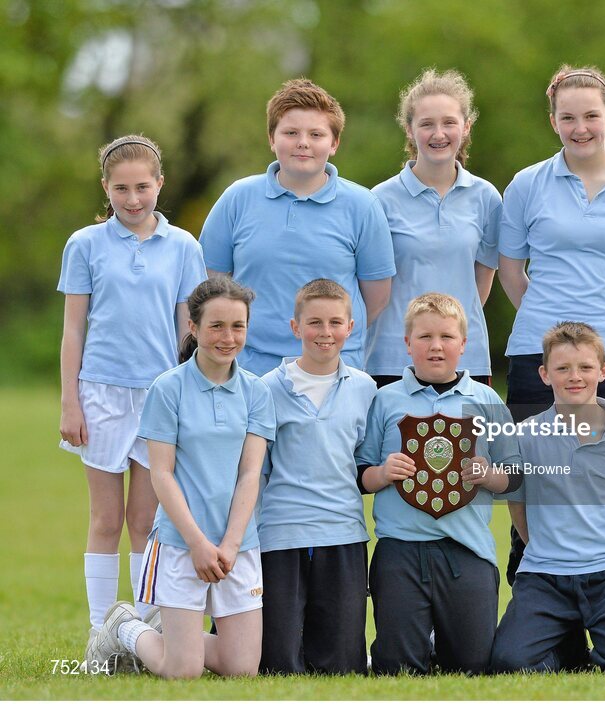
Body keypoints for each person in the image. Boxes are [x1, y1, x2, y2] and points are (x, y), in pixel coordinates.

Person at [59, 134, 206, 664]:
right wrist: (70, 402)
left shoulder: (185, 247)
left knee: (146, 520)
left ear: (159, 184)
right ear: (106, 187)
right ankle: (101, 633)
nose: (133, 198)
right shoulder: (85, 244)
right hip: (99, 394)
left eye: (143, 186)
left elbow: (187, 333)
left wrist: (188, 399)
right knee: (106, 519)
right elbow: (74, 329)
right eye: (121, 188)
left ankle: (139, 633)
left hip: (159, 399)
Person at [87, 276, 275, 679]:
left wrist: (229, 543)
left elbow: (249, 474)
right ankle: (124, 627)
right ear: (193, 327)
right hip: (179, 543)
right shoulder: (167, 389)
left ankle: (164, 633)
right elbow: (163, 474)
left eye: (237, 326)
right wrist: (199, 544)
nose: (228, 337)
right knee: (182, 671)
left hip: (237, 545)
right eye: (216, 326)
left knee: (241, 669)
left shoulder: (257, 392)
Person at [356, 293, 521, 675]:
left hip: (466, 551)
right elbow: (361, 473)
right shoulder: (385, 400)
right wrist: (382, 473)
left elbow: (514, 477)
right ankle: (412, 641)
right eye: (425, 337)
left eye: (447, 337)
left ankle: (436, 640)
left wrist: (489, 475)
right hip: (401, 549)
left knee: (472, 668)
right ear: (407, 343)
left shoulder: (487, 400)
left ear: (464, 344)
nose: (435, 346)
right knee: (397, 670)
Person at [498, 64, 605, 428]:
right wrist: (550, 319)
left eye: (591, 116)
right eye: (568, 118)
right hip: (537, 351)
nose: (580, 129)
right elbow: (511, 272)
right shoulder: (526, 185)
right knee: (531, 470)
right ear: (553, 122)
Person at [490, 322, 605, 673]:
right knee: (509, 663)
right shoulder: (525, 436)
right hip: (544, 573)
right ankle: (569, 649)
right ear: (545, 374)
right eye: (562, 368)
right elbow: (517, 504)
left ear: (603, 370)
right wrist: (541, 545)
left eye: (584, 367)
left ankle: (604, 636)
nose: (574, 376)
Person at [199, 78, 395, 376]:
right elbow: (213, 283)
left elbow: (376, 298)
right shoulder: (237, 198)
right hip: (251, 369)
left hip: (334, 371)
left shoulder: (363, 206)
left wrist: (323, 342)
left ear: (334, 143)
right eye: (291, 133)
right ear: (271, 138)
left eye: (316, 134)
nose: (303, 142)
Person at [257, 278, 376, 674]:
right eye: (314, 323)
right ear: (295, 327)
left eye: (334, 323)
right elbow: (257, 470)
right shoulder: (266, 390)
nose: (325, 333)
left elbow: (364, 463)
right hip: (281, 534)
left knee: (343, 665)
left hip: (342, 533)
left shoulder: (365, 389)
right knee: (278, 663)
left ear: (350, 327)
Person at [367, 68, 500, 387]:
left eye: (449, 123)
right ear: (410, 130)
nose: (438, 133)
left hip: (465, 360)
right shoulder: (379, 200)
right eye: (426, 124)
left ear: (466, 127)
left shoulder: (487, 198)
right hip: (393, 359)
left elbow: (480, 284)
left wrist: (447, 331)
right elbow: (371, 288)